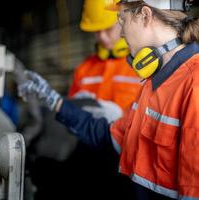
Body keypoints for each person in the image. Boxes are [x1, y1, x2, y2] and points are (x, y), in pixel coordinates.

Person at [18, 0, 199, 199]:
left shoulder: (194, 84)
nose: (121, 33)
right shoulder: (153, 82)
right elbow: (106, 136)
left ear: (145, 16)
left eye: (122, 20)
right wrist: (54, 100)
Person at [69, 0, 142, 111]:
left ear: (123, 20)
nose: (102, 37)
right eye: (97, 31)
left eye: (108, 29)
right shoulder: (83, 70)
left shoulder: (143, 67)